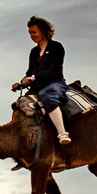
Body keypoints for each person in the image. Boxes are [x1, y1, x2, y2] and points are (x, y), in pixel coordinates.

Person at [13, 15, 71, 145]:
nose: (32, 36)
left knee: (49, 98)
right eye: (30, 33)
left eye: (34, 32)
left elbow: (54, 70)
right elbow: (29, 73)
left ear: (43, 31)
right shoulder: (34, 52)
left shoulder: (56, 47)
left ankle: (62, 133)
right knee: (21, 106)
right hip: (36, 87)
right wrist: (21, 84)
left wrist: (34, 77)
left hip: (54, 83)